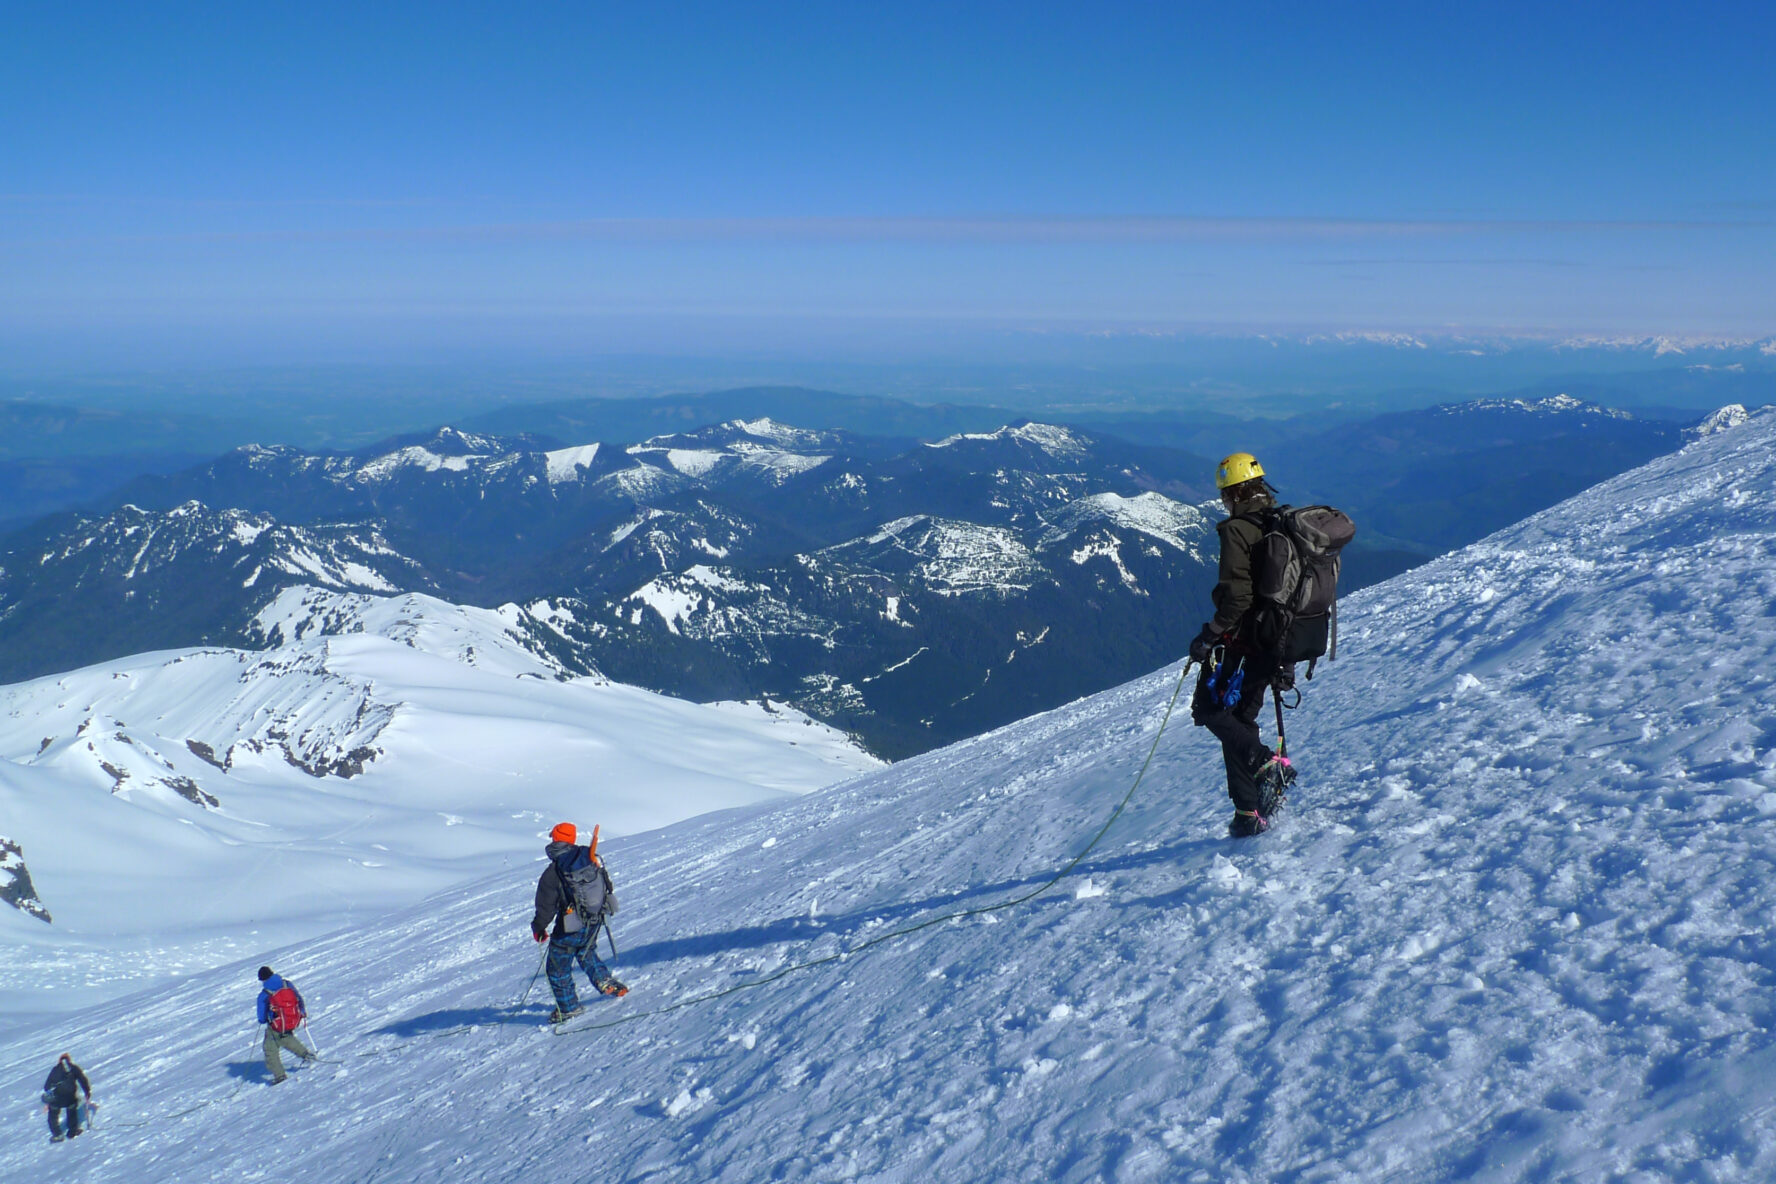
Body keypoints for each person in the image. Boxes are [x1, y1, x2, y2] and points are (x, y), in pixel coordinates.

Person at [1189, 452, 1299, 837]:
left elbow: (1238, 599)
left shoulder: (1238, 530)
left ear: (1232, 493)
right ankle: (1247, 813)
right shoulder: (1279, 521)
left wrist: (1209, 636)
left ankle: (1263, 761)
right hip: (1279, 642)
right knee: (1239, 720)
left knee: (1209, 708)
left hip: (1249, 642)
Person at [531, 822, 626, 1022]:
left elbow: (545, 906)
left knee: (557, 968)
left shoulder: (554, 871)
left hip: (570, 925)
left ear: (556, 840)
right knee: (586, 951)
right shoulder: (589, 859)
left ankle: (568, 1008)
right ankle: (604, 980)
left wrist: (539, 928)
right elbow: (607, 885)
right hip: (595, 919)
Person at [255, 965, 317, 1083]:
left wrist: (263, 1020)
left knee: (270, 1049)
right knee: (286, 1038)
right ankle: (307, 1056)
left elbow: (262, 1015)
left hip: (276, 1024)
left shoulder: (265, 993)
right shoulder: (286, 984)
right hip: (292, 1019)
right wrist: (302, 1011)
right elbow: (298, 998)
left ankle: (280, 1076)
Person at [41, 1053, 92, 1143]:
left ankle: (57, 1135)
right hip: (70, 1098)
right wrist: (87, 1092)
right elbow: (83, 1080)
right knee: (72, 1112)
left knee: (53, 1116)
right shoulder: (73, 1068)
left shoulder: (55, 1070)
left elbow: (47, 1086)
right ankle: (72, 1132)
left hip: (57, 1099)